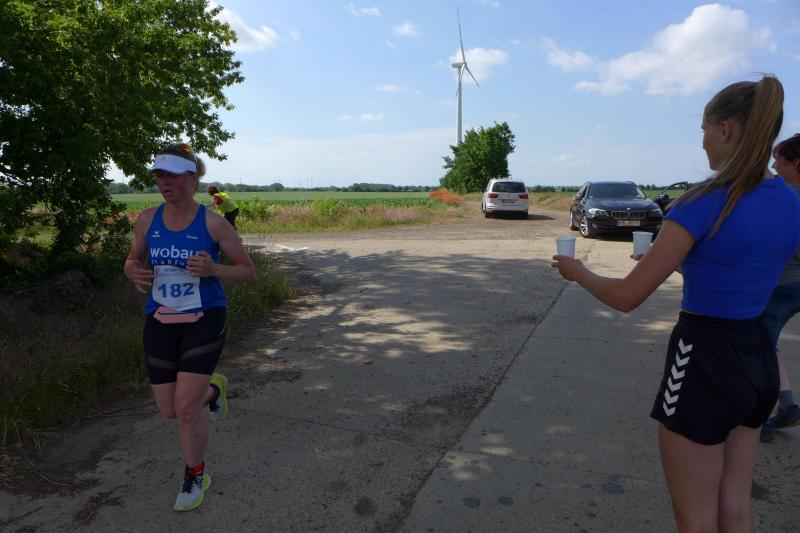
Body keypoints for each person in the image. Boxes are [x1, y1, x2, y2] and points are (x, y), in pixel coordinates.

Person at [552, 76, 800, 531]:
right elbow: (737, 268)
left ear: (725, 129)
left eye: (704, 130)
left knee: (695, 518)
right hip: (758, 356)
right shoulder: (790, 201)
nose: (702, 142)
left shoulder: (701, 201)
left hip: (704, 360)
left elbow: (627, 297)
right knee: (736, 509)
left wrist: (578, 271)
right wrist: (681, 264)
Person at [124, 143, 256, 511]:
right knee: (169, 410)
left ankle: (195, 475)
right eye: (159, 175)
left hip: (204, 318)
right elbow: (132, 260)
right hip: (161, 319)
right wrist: (132, 271)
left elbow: (248, 271)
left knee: (185, 409)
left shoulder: (213, 223)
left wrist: (214, 269)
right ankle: (212, 392)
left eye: (173, 175)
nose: (165, 182)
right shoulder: (147, 220)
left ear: (193, 178)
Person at [760, 133, 800, 442]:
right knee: (766, 343)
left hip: (784, 284)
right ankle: (787, 404)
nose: (774, 166)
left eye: (779, 161)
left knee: (756, 348)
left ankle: (757, 420)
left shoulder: (786, 198)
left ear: (795, 163)